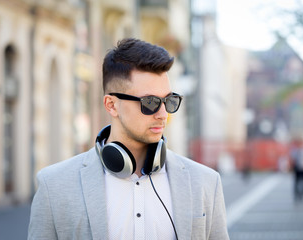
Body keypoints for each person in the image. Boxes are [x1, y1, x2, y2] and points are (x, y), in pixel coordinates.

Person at [28, 38, 230, 240]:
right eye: (150, 102)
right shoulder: (53, 186)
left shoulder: (206, 183)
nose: (163, 114)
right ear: (111, 105)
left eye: (168, 101)